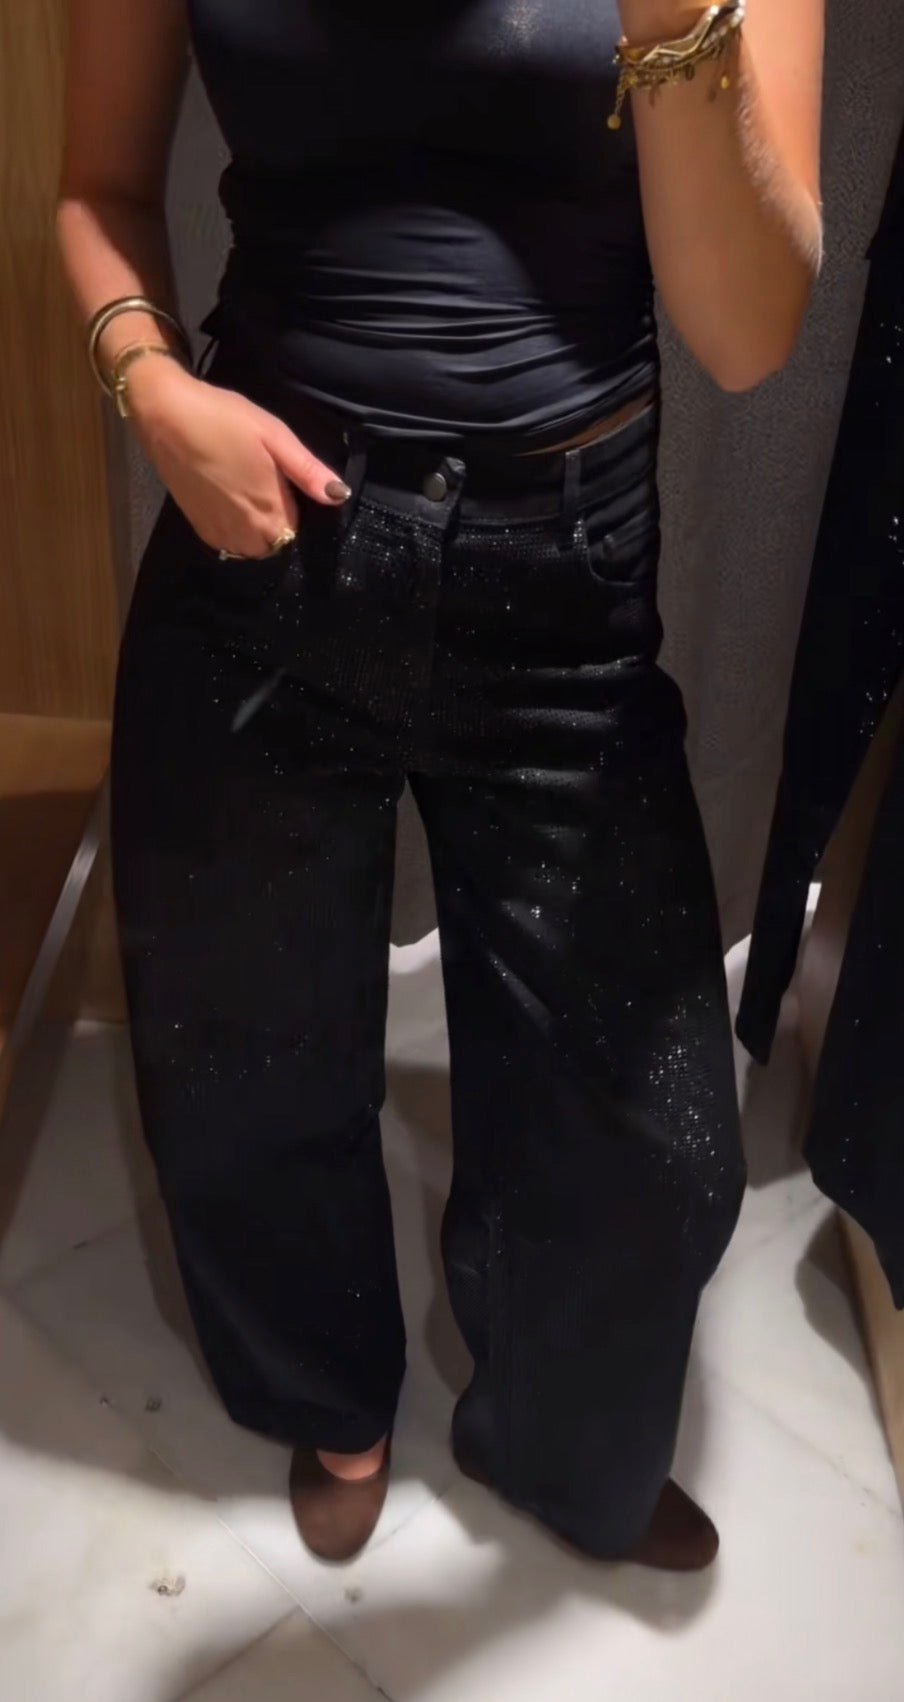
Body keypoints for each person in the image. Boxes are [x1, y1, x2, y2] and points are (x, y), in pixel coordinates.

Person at [58, 0, 824, 1570]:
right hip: (259, 543)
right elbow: (97, 188)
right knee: (243, 1059)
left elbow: (749, 335)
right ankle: (330, 1399)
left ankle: (564, 1436)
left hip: (563, 570)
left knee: (645, 1140)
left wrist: (678, 23)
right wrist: (150, 387)